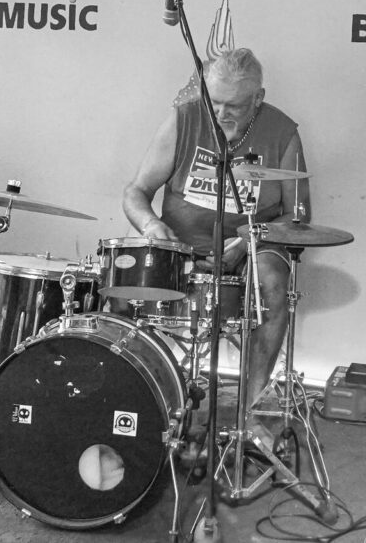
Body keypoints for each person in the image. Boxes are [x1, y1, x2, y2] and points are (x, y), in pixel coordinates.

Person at [121, 47, 310, 441]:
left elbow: (297, 216)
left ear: (258, 98)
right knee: (121, 278)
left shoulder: (282, 133)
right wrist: (151, 225)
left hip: (249, 248)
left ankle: (249, 411)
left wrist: (247, 241)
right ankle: (136, 400)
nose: (221, 113)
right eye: (214, 101)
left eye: (234, 106)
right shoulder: (185, 119)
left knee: (274, 281)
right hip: (181, 248)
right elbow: (136, 192)